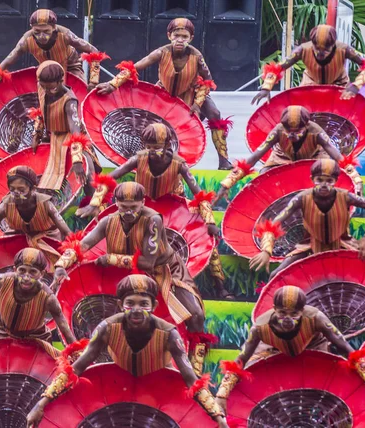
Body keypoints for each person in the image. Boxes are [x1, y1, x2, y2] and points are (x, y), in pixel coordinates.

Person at [26, 274, 228, 428]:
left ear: (155, 306)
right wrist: (41, 403)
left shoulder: (170, 334)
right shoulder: (106, 328)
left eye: (144, 304)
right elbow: (76, 369)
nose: (137, 310)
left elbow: (192, 381)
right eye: (130, 303)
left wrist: (218, 417)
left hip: (158, 389)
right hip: (117, 383)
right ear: (120, 305)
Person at [55, 182, 213, 375]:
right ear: (116, 204)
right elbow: (83, 244)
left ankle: (194, 368)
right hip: (124, 274)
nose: (128, 212)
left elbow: (148, 261)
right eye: (124, 207)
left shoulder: (153, 220)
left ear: (143, 203)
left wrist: (111, 258)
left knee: (195, 315)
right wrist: (61, 264)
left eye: (133, 207)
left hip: (164, 271)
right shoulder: (108, 221)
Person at [76, 123, 231, 298]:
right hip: (141, 208)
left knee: (209, 242)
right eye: (148, 147)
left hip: (174, 207)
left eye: (156, 147)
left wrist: (210, 222)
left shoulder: (179, 164)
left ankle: (220, 287)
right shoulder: (138, 159)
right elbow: (109, 178)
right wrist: (95, 202)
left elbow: (200, 195)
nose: (151, 151)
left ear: (167, 145)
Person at [215, 285, 365, 413]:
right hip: (272, 349)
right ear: (273, 309)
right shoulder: (260, 327)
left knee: (325, 380)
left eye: (294, 314)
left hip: (314, 347)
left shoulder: (316, 318)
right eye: (282, 313)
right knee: (255, 370)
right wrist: (222, 394)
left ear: (303, 311)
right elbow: (240, 360)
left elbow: (345, 348)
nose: (287, 319)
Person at [95, 18, 232, 170]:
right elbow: (135, 67)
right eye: (176, 36)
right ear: (169, 36)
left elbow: (208, 81)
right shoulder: (161, 52)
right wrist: (112, 84)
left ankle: (224, 160)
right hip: (163, 93)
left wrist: (197, 104)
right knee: (150, 124)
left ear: (191, 38)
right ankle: (144, 159)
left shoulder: (197, 56)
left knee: (214, 113)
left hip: (192, 92)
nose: (180, 40)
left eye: (184, 37)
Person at [249, 159, 365, 279]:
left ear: (336, 180)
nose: (324, 184)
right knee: (276, 275)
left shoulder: (347, 196)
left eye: (329, 180)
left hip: (343, 244)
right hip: (309, 245)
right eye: (319, 180)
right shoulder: (301, 198)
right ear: (312, 179)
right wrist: (266, 251)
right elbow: (273, 224)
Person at [215, 105, 364, 202]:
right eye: (288, 131)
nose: (292, 135)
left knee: (327, 171)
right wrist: (228, 182)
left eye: (297, 131)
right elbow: (255, 157)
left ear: (306, 126)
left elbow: (338, 157)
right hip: (282, 157)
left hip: (315, 157)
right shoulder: (278, 130)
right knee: (264, 175)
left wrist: (356, 179)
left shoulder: (316, 131)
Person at [0, 8, 102, 109]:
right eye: (37, 32)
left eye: (46, 31)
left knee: (81, 97)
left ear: (54, 28)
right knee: (43, 104)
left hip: (71, 67)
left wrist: (93, 81)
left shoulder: (66, 35)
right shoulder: (25, 41)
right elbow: (4, 64)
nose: (41, 36)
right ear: (31, 29)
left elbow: (94, 51)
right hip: (46, 72)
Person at [0, 248, 76, 356]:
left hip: (36, 342)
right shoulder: (3, 280)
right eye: (22, 270)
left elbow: (64, 327)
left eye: (33, 272)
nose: (26, 277)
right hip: (2, 334)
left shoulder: (48, 298)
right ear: (15, 269)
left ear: (42, 274)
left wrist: (76, 352)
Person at [252, 24, 365, 104]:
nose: (320, 53)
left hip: (339, 89)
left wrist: (355, 86)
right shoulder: (302, 49)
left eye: (325, 50)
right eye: (316, 48)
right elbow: (278, 68)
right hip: (309, 88)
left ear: (333, 44)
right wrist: (266, 88)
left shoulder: (344, 49)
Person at [31, 61, 101, 194]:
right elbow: (41, 109)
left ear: (60, 81)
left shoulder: (70, 101)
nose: (47, 91)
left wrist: (77, 160)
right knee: (43, 174)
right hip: (53, 136)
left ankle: (95, 208)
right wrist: (36, 134)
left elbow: (75, 132)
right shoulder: (42, 87)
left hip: (73, 138)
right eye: (43, 86)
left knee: (88, 174)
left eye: (51, 88)